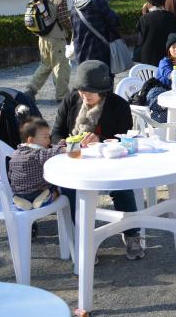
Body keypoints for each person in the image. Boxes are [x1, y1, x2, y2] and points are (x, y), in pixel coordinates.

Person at [51, 60, 144, 260]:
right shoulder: (70, 101)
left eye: (89, 92)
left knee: (122, 187)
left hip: (109, 162)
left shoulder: (118, 105)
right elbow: (56, 133)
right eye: (81, 91)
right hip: (76, 162)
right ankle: (85, 238)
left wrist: (100, 140)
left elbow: (125, 137)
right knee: (71, 190)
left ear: (102, 91)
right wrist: (67, 144)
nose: (84, 95)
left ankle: (131, 233)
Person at [26, 0, 73, 103]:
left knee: (45, 65)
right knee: (61, 66)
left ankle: (30, 89)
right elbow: (64, 20)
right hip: (56, 38)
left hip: (42, 37)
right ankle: (62, 96)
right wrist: (73, 28)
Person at [9, 118, 68, 209]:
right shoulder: (37, 153)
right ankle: (43, 199)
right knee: (61, 188)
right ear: (31, 140)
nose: (48, 140)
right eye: (45, 137)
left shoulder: (15, 154)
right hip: (38, 191)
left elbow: (10, 174)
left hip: (19, 193)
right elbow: (54, 152)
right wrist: (67, 148)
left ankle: (19, 201)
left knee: (23, 192)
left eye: (49, 137)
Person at [71, 0, 122, 71]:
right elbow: (114, 21)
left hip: (80, 52)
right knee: (104, 81)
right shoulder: (98, 2)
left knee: (85, 81)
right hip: (99, 50)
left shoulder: (74, 5)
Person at [135, 0, 176, 66]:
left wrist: (144, 14)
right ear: (164, 1)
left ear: (149, 3)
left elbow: (140, 40)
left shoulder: (144, 18)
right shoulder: (171, 16)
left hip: (148, 58)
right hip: (167, 56)